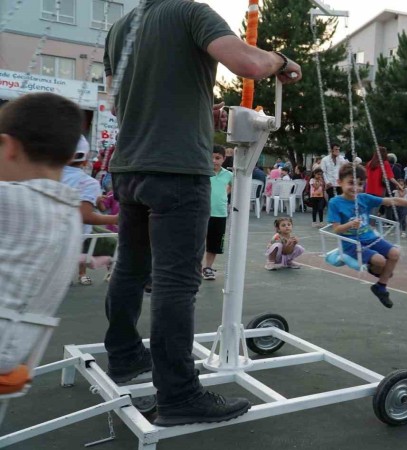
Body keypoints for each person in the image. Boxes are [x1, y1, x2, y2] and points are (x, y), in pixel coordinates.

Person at [102, 0, 302, 427]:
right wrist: (282, 60)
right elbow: (246, 62)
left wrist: (193, 112)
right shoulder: (192, 13)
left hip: (130, 166)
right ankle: (178, 394)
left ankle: (122, 356)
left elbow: (119, 105)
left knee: (131, 268)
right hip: (176, 170)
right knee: (177, 282)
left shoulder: (120, 28)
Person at [0, 93, 84, 375]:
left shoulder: (9, 199)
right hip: (19, 348)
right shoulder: (71, 214)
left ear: (9, 146)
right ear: (71, 155)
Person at [327, 164, 407, 308]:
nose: (356, 188)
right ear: (340, 182)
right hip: (352, 243)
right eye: (351, 183)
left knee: (395, 253)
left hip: (370, 237)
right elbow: (336, 230)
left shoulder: (364, 198)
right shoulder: (335, 202)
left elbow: (394, 200)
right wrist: (350, 225)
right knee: (380, 262)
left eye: (360, 184)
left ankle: (381, 286)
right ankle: (380, 270)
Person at [61, 136, 119, 286]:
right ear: (85, 160)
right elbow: (84, 216)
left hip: (55, 229)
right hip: (77, 234)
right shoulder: (87, 182)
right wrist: (115, 219)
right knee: (118, 245)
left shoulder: (49, 174)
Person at [202, 146, 233, 281]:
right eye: (211, 158)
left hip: (219, 214)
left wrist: (225, 194)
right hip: (201, 213)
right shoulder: (202, 172)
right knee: (197, 242)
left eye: (217, 158)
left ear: (223, 159)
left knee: (214, 243)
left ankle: (208, 267)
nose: (214, 161)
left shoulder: (229, 175)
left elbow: (233, 185)